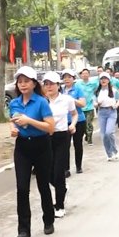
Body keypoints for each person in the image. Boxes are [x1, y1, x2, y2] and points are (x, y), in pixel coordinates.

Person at [8, 66, 56, 237]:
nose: (23, 84)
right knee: (22, 188)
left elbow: (50, 128)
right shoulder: (14, 103)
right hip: (22, 147)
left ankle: (48, 219)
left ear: (34, 83)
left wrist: (29, 121)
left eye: (26, 81)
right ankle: (24, 231)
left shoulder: (42, 102)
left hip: (42, 145)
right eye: (20, 82)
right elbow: (13, 122)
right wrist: (13, 129)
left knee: (43, 185)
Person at [43, 72, 76, 218]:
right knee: (47, 172)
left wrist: (73, 125)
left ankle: (60, 206)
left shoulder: (66, 99)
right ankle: (61, 188)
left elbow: (74, 114)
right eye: (46, 84)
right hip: (45, 137)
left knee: (58, 172)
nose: (49, 87)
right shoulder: (41, 101)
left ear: (58, 85)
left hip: (62, 136)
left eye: (51, 84)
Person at [61, 69, 87, 175]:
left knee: (77, 144)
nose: (67, 79)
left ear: (73, 79)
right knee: (65, 146)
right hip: (64, 121)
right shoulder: (60, 90)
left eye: (69, 77)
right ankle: (66, 169)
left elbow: (82, 103)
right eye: (65, 77)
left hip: (78, 120)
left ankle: (78, 166)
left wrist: (71, 99)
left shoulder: (78, 89)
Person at [94, 72, 119, 161]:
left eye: (105, 78)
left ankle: (115, 150)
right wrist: (97, 104)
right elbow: (94, 103)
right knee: (104, 135)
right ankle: (109, 154)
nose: (103, 80)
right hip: (101, 112)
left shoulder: (113, 90)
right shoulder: (97, 91)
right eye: (102, 79)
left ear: (108, 80)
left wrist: (116, 105)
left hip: (111, 112)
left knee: (109, 132)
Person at [76, 68, 98, 146]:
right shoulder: (78, 84)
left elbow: (96, 91)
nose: (85, 75)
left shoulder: (93, 84)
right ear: (81, 75)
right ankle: (86, 134)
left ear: (89, 75)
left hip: (90, 107)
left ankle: (89, 139)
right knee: (83, 125)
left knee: (89, 123)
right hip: (80, 108)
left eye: (86, 73)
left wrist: (95, 100)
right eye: (83, 73)